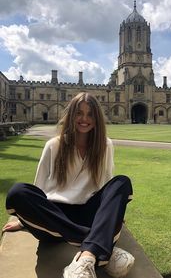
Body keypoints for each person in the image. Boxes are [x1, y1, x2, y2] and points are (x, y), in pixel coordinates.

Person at [2, 92, 134, 278]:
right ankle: (101, 248)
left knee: (122, 182)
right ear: (71, 115)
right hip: (54, 218)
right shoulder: (54, 145)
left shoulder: (105, 145)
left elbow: (106, 182)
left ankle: (87, 255)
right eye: (79, 113)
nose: (84, 119)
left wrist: (111, 212)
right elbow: (38, 186)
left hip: (89, 214)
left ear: (97, 119)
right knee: (18, 192)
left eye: (90, 114)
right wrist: (24, 220)